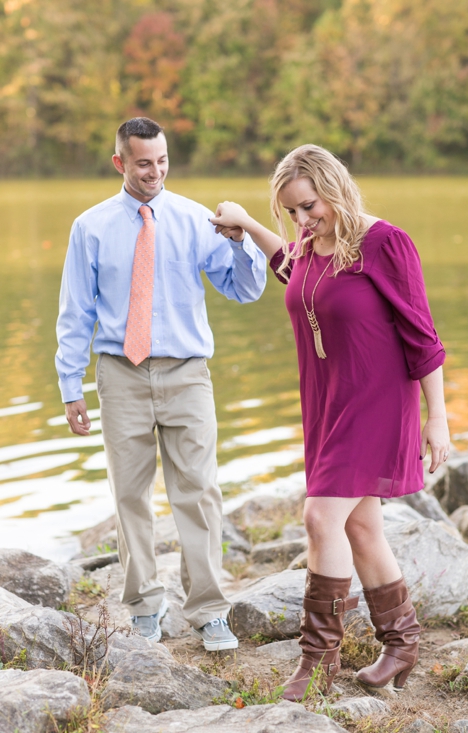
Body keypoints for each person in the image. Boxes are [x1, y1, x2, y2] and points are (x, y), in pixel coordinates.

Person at [208, 144, 449, 701]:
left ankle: (317, 662)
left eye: (309, 206)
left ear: (335, 189)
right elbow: (288, 265)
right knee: (360, 526)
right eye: (291, 212)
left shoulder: (384, 243)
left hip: (376, 400)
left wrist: (437, 418)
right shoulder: (313, 247)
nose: (302, 220)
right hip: (327, 401)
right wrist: (246, 223)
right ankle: (402, 642)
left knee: (320, 517)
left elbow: (423, 334)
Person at [55, 117, 268, 651]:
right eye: (144, 162)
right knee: (130, 495)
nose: (156, 172)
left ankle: (209, 612)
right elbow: (75, 313)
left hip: (187, 373)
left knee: (198, 491)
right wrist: (70, 385)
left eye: (163, 160)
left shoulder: (197, 219)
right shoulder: (91, 226)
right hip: (118, 374)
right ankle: (145, 606)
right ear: (120, 162)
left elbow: (243, 291)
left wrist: (242, 243)